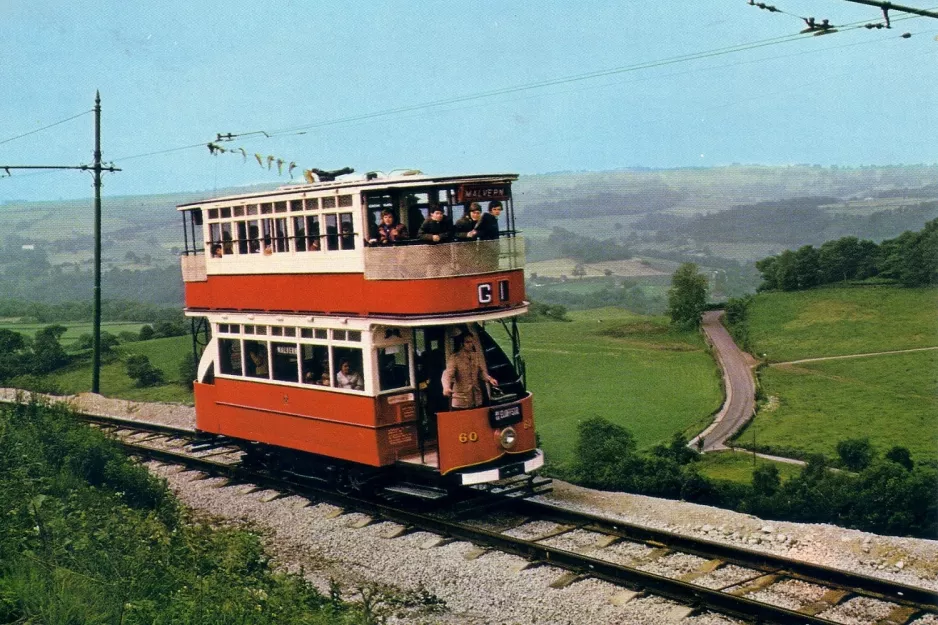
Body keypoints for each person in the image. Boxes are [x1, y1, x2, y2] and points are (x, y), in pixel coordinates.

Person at [442, 333, 498, 409]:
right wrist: (446, 387)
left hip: (476, 399)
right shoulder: (455, 358)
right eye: (467, 342)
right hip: (461, 401)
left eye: (471, 342)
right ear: (462, 344)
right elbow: (447, 374)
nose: (470, 344)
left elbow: (481, 372)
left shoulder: (475, 356)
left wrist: (490, 379)